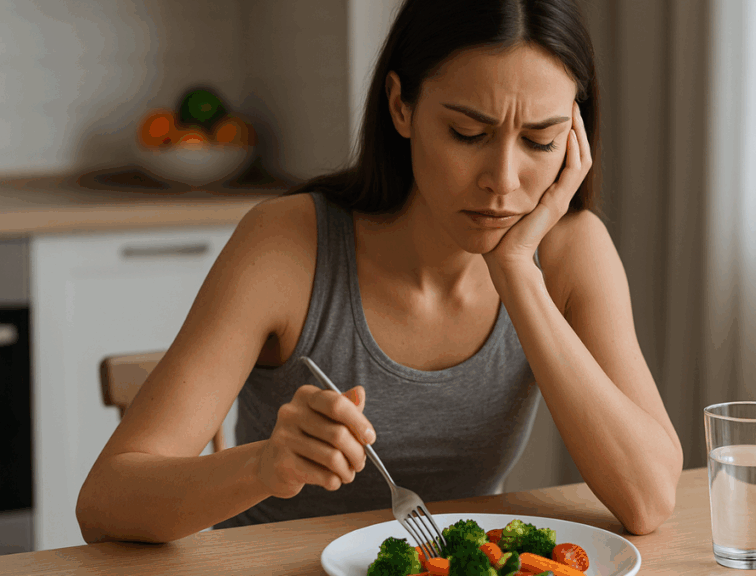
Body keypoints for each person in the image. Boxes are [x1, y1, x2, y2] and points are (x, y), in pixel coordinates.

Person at [76, 0, 683, 543]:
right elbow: (106, 501)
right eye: (467, 132)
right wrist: (264, 466)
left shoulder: (570, 253)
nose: (503, 179)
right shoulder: (287, 244)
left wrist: (518, 272)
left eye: (540, 142)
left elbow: (649, 499)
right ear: (401, 105)